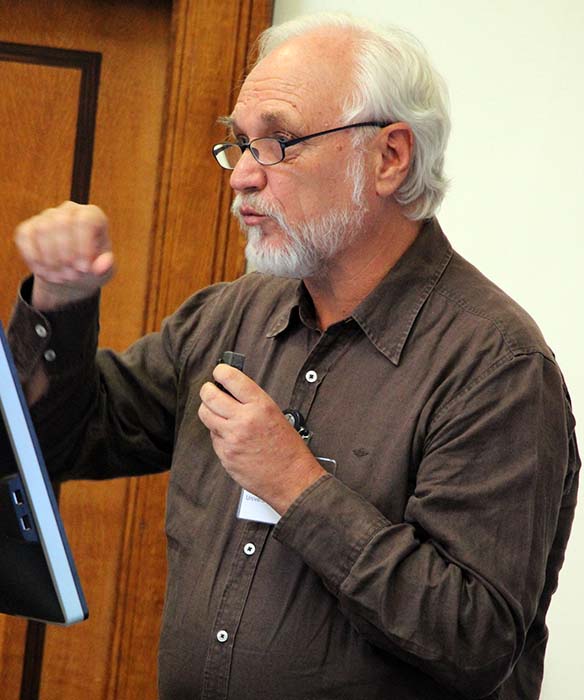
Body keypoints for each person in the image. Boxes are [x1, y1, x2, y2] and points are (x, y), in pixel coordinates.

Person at [7, 12, 580, 700]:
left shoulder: (497, 366)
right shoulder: (229, 316)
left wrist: (297, 488)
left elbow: (474, 640)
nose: (242, 177)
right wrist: (60, 303)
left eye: (278, 142)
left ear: (389, 158)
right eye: (240, 144)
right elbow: (61, 442)